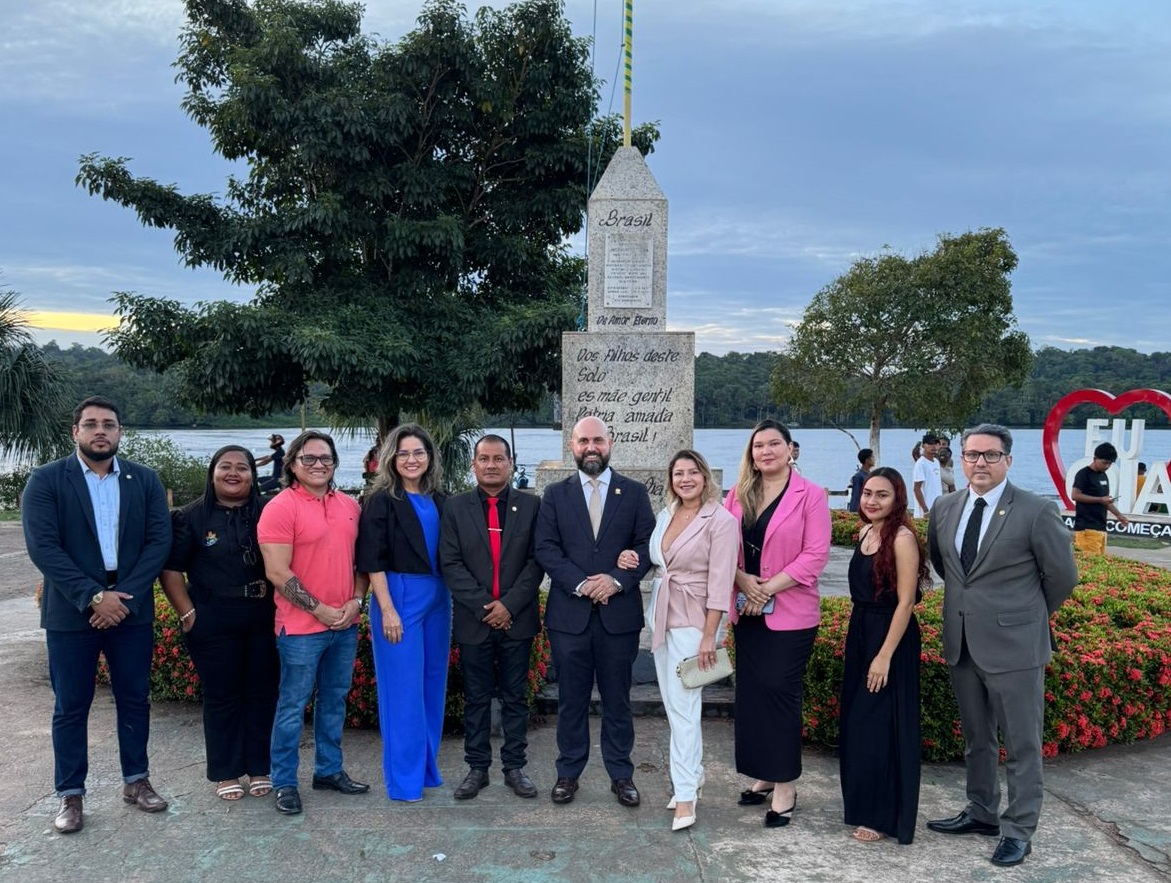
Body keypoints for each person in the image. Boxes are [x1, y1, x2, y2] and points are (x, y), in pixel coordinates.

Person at [926, 424, 1077, 867]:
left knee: (1022, 744)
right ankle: (982, 811)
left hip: (1016, 646)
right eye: (972, 455)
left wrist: (1025, 618)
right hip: (963, 641)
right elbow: (944, 563)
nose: (979, 463)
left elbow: (1062, 577)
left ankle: (1019, 829)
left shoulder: (1034, 510)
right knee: (977, 739)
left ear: (1008, 460)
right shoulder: (944, 506)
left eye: (990, 456)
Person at [22, 395, 172, 834]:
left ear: (120, 432)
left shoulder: (143, 480)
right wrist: (93, 596)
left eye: (109, 423)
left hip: (130, 609)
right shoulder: (47, 480)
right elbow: (43, 547)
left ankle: (136, 781)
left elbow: (158, 543)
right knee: (71, 706)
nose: (100, 430)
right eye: (91, 424)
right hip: (71, 613)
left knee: (134, 698)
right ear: (76, 432)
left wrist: (122, 598)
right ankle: (71, 794)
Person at [535, 416, 655, 807]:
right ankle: (568, 774)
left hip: (618, 617)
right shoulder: (555, 494)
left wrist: (616, 580)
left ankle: (621, 775)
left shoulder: (634, 493)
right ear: (572, 445)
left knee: (618, 700)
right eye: (583, 440)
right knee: (571, 699)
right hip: (569, 617)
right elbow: (547, 549)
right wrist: (586, 584)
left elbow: (647, 547)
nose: (591, 447)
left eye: (598, 440)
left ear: (611, 443)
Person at [724, 419, 830, 829]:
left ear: (790, 449)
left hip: (790, 613)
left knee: (780, 694)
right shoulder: (737, 495)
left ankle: (786, 783)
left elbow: (815, 555)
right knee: (752, 695)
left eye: (773, 444)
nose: (765, 452)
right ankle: (764, 773)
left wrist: (765, 589)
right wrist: (742, 581)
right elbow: (723, 548)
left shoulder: (812, 495)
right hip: (745, 609)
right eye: (758, 446)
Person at [258, 430, 370, 816]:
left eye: (326, 458)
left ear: (335, 464)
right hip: (301, 628)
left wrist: (356, 601)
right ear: (292, 465)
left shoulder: (350, 506)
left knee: (334, 701)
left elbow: (362, 563)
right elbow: (277, 571)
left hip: (345, 624)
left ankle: (328, 770)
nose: (319, 464)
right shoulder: (280, 507)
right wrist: (319, 609)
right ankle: (284, 782)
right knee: (292, 705)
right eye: (309, 458)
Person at [160, 445, 279, 801]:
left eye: (242, 467)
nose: (233, 473)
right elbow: (170, 570)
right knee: (221, 696)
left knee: (262, 693)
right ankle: (226, 771)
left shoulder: (269, 510)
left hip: (263, 615)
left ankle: (260, 766)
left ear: (252, 475)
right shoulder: (190, 516)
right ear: (212, 473)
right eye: (224, 466)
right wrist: (187, 613)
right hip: (212, 618)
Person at [439, 435, 543, 801]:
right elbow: (450, 563)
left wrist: (508, 606)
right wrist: (487, 607)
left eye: (499, 458)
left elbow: (536, 562)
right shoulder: (455, 508)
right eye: (484, 458)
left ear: (511, 463)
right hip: (475, 620)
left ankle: (515, 767)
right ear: (474, 464)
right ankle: (477, 768)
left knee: (516, 697)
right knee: (477, 698)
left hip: (518, 619)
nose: (492, 465)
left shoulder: (532, 506)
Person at [356, 423, 450, 802]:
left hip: (438, 596)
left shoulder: (439, 498)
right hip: (398, 596)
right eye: (404, 453)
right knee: (403, 692)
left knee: (431, 687)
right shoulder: (381, 501)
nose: (412, 460)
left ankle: (427, 769)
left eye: (419, 453)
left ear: (430, 458)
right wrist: (387, 609)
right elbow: (371, 559)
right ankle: (404, 781)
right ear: (392, 459)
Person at [647, 450, 737, 831]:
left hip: (694, 622)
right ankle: (694, 774)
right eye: (678, 473)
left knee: (684, 710)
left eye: (692, 472)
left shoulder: (722, 520)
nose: (685, 479)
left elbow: (721, 583)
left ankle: (685, 796)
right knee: (674, 706)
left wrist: (708, 636)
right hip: (661, 617)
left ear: (705, 476)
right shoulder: (666, 514)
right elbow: (659, 561)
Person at [839, 467, 926, 844]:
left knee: (881, 727)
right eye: (868, 493)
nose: (871, 500)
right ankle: (862, 804)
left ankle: (883, 816)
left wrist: (884, 655)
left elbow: (906, 602)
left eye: (882, 495)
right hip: (861, 630)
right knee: (858, 723)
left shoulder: (903, 538)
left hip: (891, 636)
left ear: (897, 500)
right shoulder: (863, 532)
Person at [1070, 442, 1129, 555]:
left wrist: (1119, 515)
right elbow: (1075, 495)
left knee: (1100, 563)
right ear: (1095, 458)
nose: (1107, 466)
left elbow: (1106, 500)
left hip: (1101, 527)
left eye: (1110, 464)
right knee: (1089, 563)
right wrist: (1100, 500)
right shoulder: (1083, 474)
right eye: (1104, 463)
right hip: (1086, 527)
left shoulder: (1103, 475)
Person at [912, 433, 942, 518]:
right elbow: (916, 488)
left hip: (936, 508)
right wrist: (925, 510)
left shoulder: (936, 461)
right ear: (923, 445)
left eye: (935, 444)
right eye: (930, 444)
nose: (933, 446)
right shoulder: (921, 463)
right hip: (925, 512)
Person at [846, 448, 874, 513]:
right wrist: (854, 512)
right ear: (867, 460)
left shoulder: (871, 475)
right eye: (872, 457)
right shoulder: (858, 477)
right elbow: (856, 495)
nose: (874, 459)